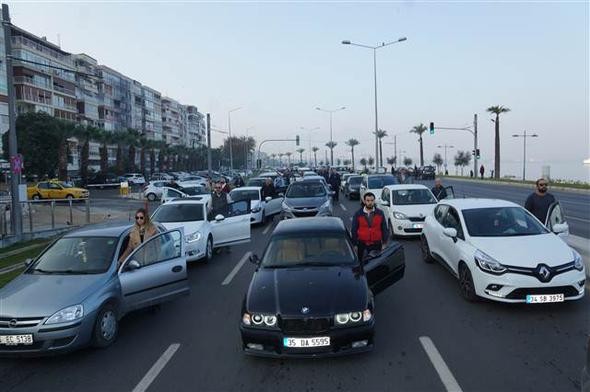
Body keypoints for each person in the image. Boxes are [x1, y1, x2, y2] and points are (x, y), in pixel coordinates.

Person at [351, 192, 389, 262]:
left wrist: (384, 243)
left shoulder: (380, 213)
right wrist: (355, 244)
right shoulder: (358, 214)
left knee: (376, 263)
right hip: (362, 244)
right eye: (368, 201)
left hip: (376, 244)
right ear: (364, 201)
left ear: (374, 201)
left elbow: (384, 228)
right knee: (362, 263)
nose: (370, 202)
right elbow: (354, 229)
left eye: (372, 200)